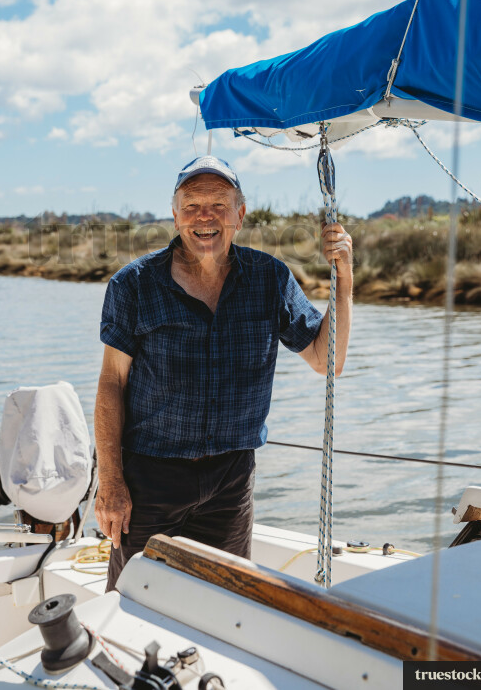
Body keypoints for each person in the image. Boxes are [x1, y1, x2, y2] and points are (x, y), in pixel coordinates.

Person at [94, 155, 352, 592]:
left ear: (240, 215)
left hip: (230, 483)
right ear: (175, 216)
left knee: (226, 603)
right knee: (135, 600)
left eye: (218, 205)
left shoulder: (270, 279)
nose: (205, 217)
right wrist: (111, 482)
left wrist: (343, 281)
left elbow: (326, 359)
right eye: (192, 206)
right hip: (150, 479)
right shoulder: (133, 285)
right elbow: (111, 386)